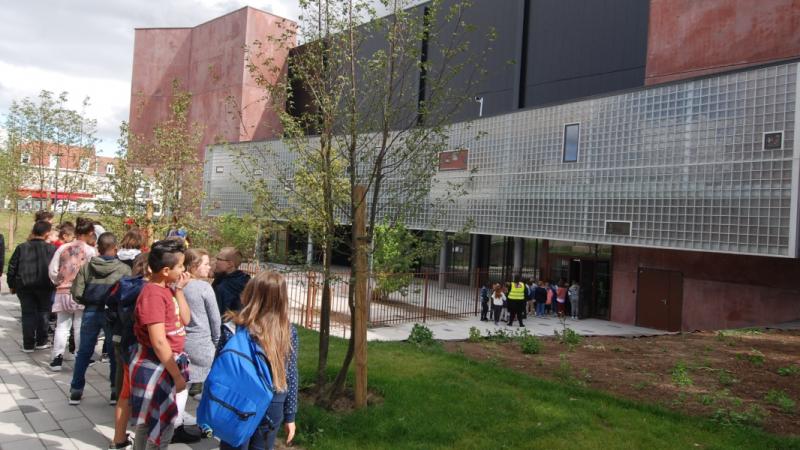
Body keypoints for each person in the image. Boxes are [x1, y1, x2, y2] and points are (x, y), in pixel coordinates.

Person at [218, 271, 298, 450]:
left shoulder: (232, 325)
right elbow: (290, 374)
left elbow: (220, 366)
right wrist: (290, 415)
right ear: (282, 298)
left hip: (237, 399)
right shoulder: (287, 331)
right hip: (273, 401)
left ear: (250, 293)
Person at [129, 239, 191, 449]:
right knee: (159, 426)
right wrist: (176, 375)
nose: (184, 269)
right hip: (157, 366)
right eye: (181, 265)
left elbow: (186, 319)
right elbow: (158, 341)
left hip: (166, 364)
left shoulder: (168, 288)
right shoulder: (153, 294)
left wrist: (180, 290)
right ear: (166, 270)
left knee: (152, 423)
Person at [69, 232, 131, 406]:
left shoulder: (87, 268)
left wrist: (87, 302)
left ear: (98, 247)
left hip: (91, 311)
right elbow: (126, 294)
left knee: (84, 352)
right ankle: (113, 391)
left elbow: (77, 293)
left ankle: (76, 390)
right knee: (113, 353)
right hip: (113, 315)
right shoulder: (123, 269)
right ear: (115, 248)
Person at [173, 248, 220, 444]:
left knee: (181, 385)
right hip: (202, 343)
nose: (210, 267)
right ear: (194, 266)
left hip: (182, 341)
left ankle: (176, 422)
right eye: (206, 263)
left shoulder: (177, 285)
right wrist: (218, 343)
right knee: (210, 386)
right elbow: (215, 320)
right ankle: (206, 425)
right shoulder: (204, 288)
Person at [107, 253, 149, 450]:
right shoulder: (149, 290)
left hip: (123, 340)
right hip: (140, 348)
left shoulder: (125, 285)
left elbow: (111, 307)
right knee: (143, 396)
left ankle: (118, 439)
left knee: (124, 393)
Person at [48, 218, 97, 371]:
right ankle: (81, 356)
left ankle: (57, 358)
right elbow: (93, 272)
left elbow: (53, 270)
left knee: (62, 326)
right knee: (79, 326)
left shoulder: (63, 248)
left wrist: (59, 281)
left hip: (63, 291)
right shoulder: (89, 251)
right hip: (81, 293)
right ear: (90, 233)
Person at [7, 221, 56, 352]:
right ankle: (42, 341)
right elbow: (56, 268)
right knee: (44, 312)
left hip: (24, 285)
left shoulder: (22, 247)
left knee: (28, 314)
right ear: (47, 233)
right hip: (45, 286)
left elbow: (12, 267)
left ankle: (28, 345)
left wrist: (11, 285)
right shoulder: (51, 249)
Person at [212, 247, 250, 314]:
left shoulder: (223, 287)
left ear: (230, 264)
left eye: (218, 259)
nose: (216, 262)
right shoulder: (246, 280)